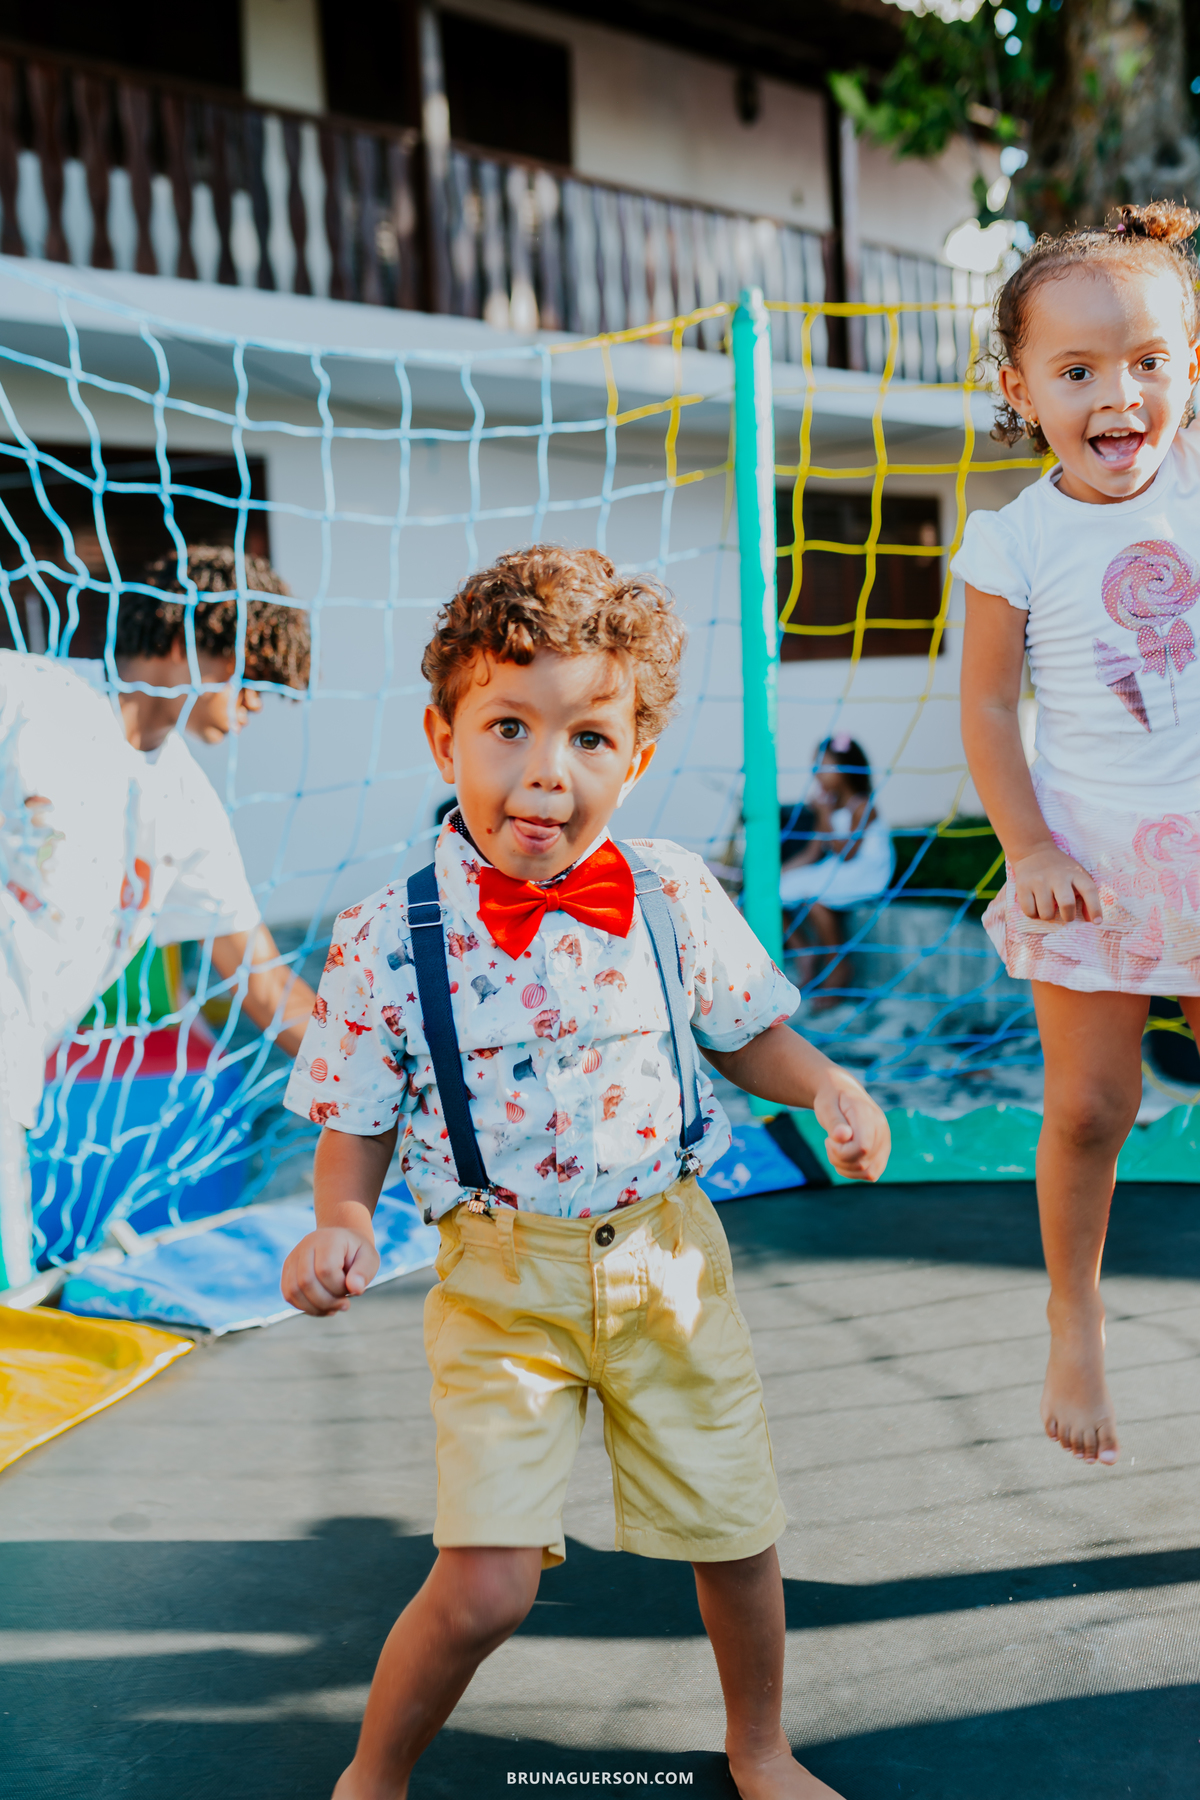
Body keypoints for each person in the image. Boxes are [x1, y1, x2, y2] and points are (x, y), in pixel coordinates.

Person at [281, 546, 891, 1800]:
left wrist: (829, 1083)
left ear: (637, 759)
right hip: (503, 1287)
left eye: (591, 739)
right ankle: (371, 1777)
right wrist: (341, 1220)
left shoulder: (670, 890)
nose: (548, 771)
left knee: (736, 1532)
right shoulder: (386, 935)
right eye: (509, 727)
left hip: (669, 1265)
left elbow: (746, 1035)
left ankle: (760, 1747)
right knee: (487, 1586)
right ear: (445, 736)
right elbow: (354, 1121)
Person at [957, 201, 1200, 1470]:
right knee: (1096, 1105)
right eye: (1079, 371)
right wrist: (1030, 847)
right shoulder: (1015, 540)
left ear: (1191, 366)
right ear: (1021, 390)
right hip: (1092, 871)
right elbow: (989, 709)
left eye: (1150, 361)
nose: (1120, 395)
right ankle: (1075, 1314)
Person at [0, 544, 318, 1288]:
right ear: (187, 639)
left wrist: (389, 1080)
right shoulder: (25, 695)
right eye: (253, 677)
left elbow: (266, 988)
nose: (257, 704)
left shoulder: (184, 807)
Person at [779, 734, 893, 1003]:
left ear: (846, 769)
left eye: (824, 765)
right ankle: (805, 953)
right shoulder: (830, 806)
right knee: (775, 891)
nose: (817, 773)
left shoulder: (862, 806)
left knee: (814, 899)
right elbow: (812, 853)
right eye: (815, 766)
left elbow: (848, 852)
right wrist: (781, 872)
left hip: (864, 872)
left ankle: (837, 967)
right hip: (837, 870)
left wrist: (824, 815)